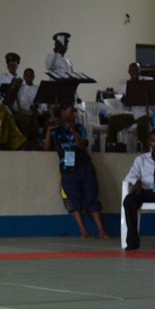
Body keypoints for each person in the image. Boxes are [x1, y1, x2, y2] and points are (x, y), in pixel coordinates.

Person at [44, 101, 108, 239]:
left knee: (92, 198)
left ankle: (101, 230)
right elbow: (47, 148)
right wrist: (49, 131)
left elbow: (82, 145)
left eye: (74, 112)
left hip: (84, 166)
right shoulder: (55, 128)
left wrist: (73, 131)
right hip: (68, 169)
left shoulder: (79, 127)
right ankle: (83, 231)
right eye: (71, 111)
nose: (74, 114)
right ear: (62, 112)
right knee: (75, 201)